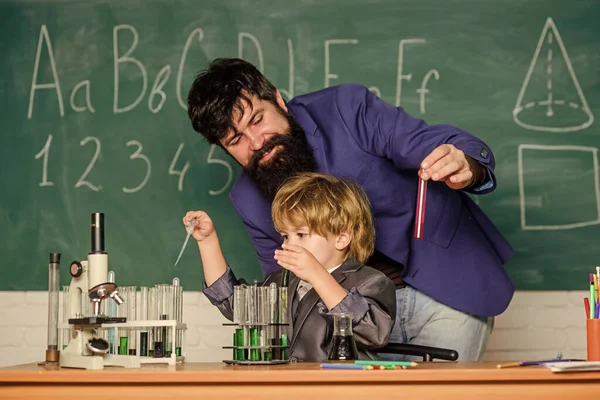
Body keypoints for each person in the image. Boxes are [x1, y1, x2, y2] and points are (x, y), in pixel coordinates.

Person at [186, 57, 515, 361]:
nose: (256, 142)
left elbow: (429, 143)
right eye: (235, 140)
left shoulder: (345, 108)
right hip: (351, 319)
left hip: (445, 287)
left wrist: (465, 162)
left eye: (258, 120)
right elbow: (283, 293)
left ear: (277, 100)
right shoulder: (248, 200)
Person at [183, 172, 396, 362]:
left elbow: (373, 332)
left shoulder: (371, 282)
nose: (287, 244)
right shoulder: (281, 281)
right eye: (285, 235)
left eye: (301, 235)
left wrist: (318, 277)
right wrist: (207, 242)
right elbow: (232, 303)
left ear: (341, 239)